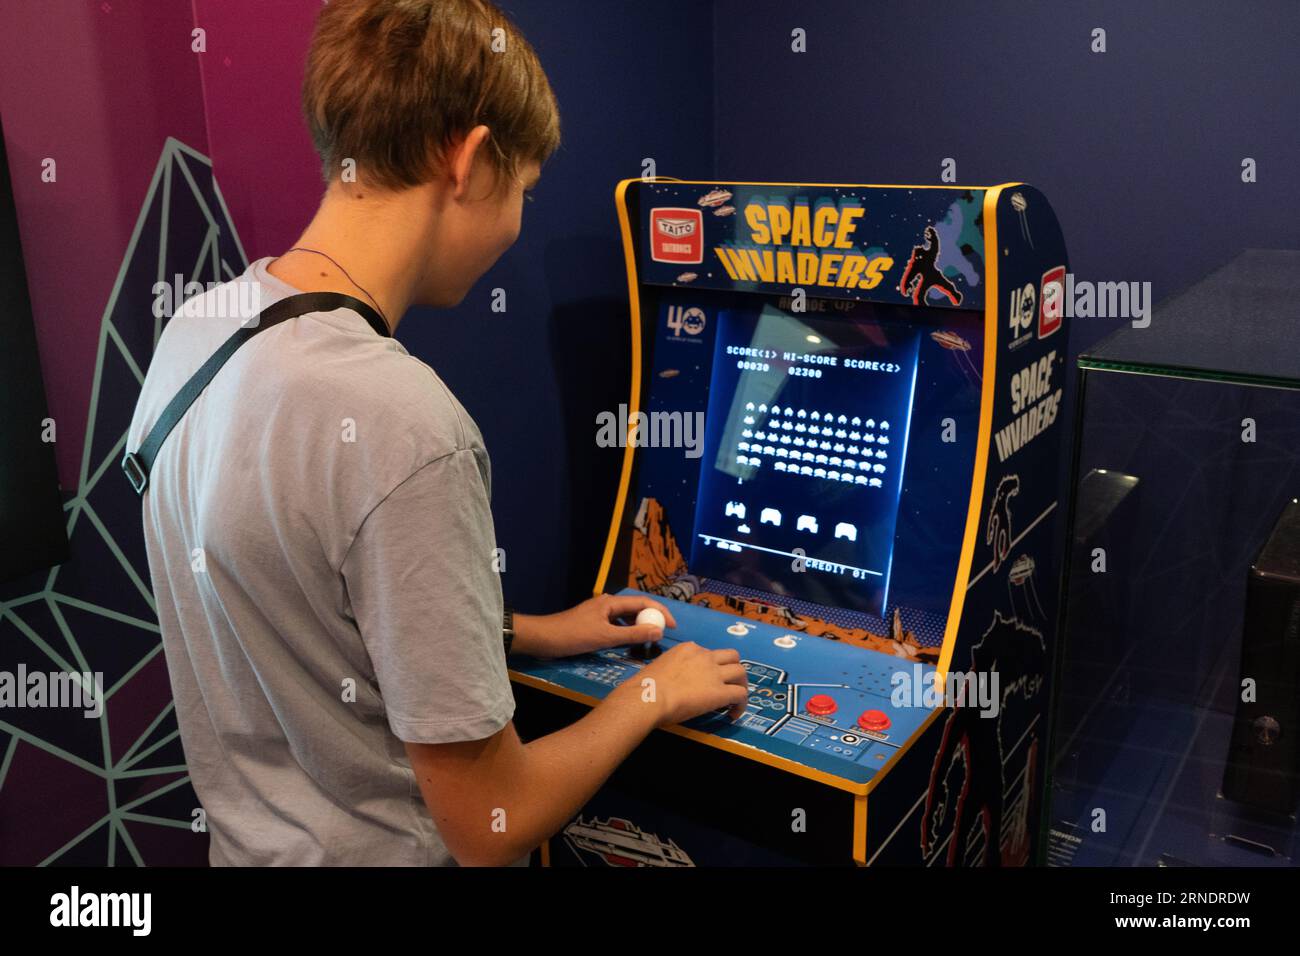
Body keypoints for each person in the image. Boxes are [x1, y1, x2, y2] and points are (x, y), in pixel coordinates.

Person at [126, 0, 747, 867]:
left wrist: (532, 631)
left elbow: (307, 606)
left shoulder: (196, 330)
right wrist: (651, 692)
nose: (517, 223)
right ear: (470, 160)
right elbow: (490, 820)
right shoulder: (404, 426)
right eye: (523, 189)